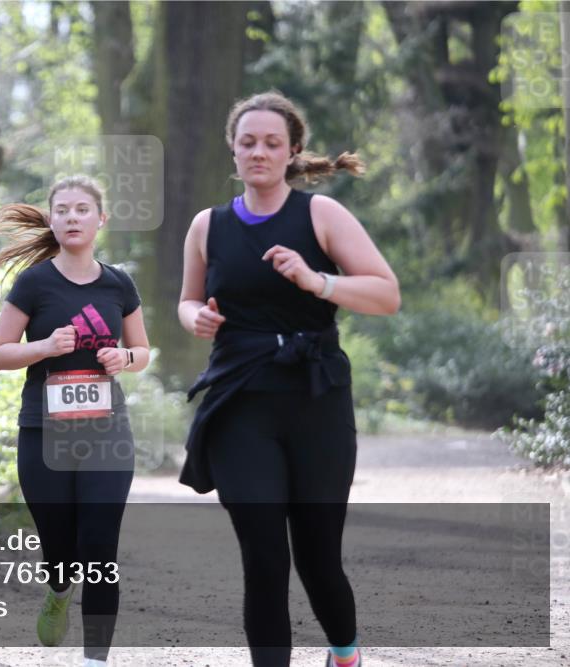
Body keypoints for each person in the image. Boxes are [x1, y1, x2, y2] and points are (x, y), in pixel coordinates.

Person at [177, 91, 400, 667]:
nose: (258, 151)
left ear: (292, 151)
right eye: (248, 141)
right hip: (240, 402)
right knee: (265, 558)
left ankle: (344, 652)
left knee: (319, 556)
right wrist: (195, 317)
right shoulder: (208, 225)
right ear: (233, 147)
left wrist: (318, 282)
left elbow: (385, 294)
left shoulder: (320, 215)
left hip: (315, 400)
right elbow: (186, 301)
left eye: (272, 143)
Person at [0, 175, 151, 667]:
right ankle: (59, 589)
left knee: (100, 550)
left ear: (101, 220)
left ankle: (94, 659)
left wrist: (125, 358)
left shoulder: (118, 282)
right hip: (44, 433)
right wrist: (44, 347)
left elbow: (143, 350)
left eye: (83, 209)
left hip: (107, 433)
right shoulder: (35, 283)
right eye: (63, 210)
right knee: (60, 550)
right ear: (53, 220)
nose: (72, 217)